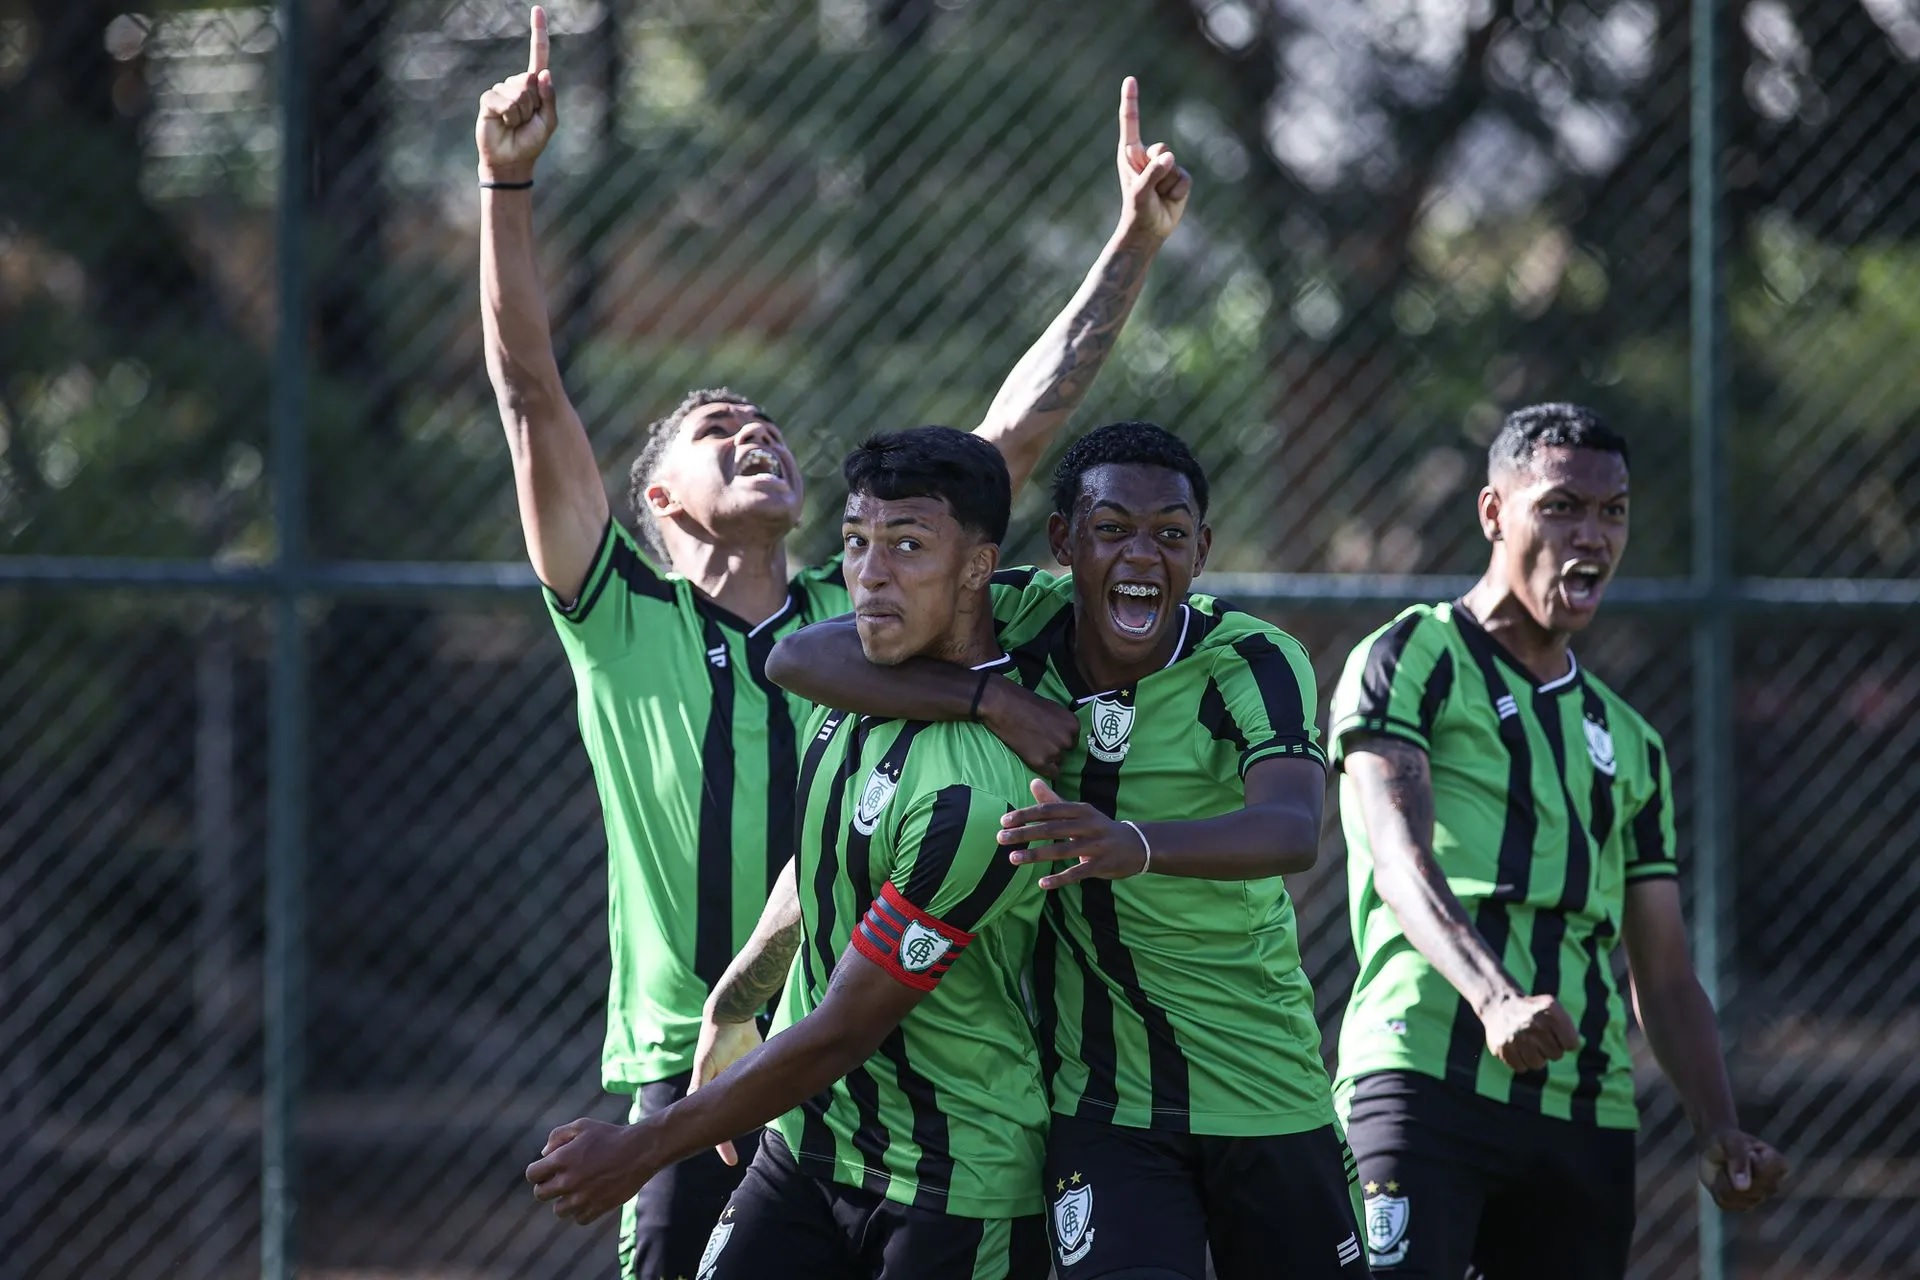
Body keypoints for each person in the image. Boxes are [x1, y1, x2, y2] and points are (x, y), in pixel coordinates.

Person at [476, 7, 1190, 1274]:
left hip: (886, 1052)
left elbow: (1012, 438)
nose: (753, 430)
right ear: (656, 501)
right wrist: (506, 181)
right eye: (715, 428)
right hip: (686, 1053)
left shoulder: (869, 609)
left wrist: (1131, 244)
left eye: (765, 420)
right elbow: (531, 388)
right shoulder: (618, 607)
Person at [767, 421, 1370, 1279]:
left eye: (1168, 535)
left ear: (1201, 552)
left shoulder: (1251, 658)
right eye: (1111, 528)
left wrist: (1134, 844)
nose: (1140, 555)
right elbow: (798, 656)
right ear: (1065, 542)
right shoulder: (1025, 617)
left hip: (1264, 1082)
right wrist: (987, 700)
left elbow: (1292, 830)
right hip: (1102, 1101)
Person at [527, 427, 1055, 1280]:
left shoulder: (979, 797)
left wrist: (644, 1147)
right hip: (806, 1149)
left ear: (977, 568)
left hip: (950, 1184)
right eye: (855, 542)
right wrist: (734, 1001)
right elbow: (819, 861)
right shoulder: (853, 684)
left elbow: (843, 1028)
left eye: (908, 546)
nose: (870, 573)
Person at [1328, 403, 1790, 1278]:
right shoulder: (1411, 659)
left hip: (1584, 1113)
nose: (1594, 533)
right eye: (1562, 506)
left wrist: (1717, 1125)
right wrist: (1494, 996)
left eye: (1612, 511)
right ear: (1494, 512)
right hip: (1426, 1076)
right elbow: (1399, 861)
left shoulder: (1632, 742)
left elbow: (1662, 967)